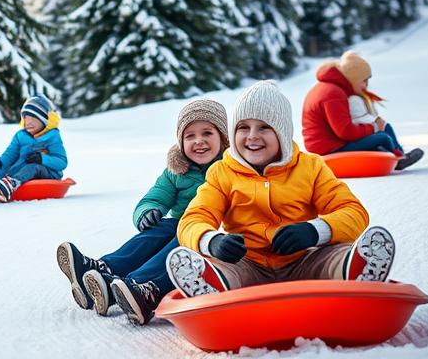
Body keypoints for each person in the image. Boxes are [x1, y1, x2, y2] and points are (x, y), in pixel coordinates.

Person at [166, 80, 396, 297]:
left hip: (304, 261)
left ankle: (355, 269)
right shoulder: (222, 173)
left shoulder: (311, 167)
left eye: (264, 127)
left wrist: (315, 230)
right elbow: (192, 220)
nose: (252, 136)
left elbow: (354, 212)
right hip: (247, 263)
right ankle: (210, 282)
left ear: (282, 132)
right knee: (228, 270)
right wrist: (212, 241)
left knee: (332, 258)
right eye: (243, 127)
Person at [55, 99, 229, 325]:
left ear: (223, 139)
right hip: (181, 224)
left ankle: (134, 284)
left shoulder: (230, 169)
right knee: (160, 228)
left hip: (209, 233)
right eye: (190, 136)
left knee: (182, 236)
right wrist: (149, 211)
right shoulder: (176, 171)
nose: (199, 141)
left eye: (207, 133)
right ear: (180, 141)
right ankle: (105, 271)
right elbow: (155, 197)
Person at [302, 50, 423, 170]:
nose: (366, 86)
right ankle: (399, 161)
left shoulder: (329, 88)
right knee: (383, 137)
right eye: (364, 81)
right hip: (329, 149)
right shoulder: (333, 94)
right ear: (353, 79)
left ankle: (397, 155)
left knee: (384, 131)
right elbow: (345, 132)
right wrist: (373, 127)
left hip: (331, 144)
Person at [0, 94, 66, 203]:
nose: (28, 122)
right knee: (2, 165)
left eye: (33, 117)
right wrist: (0, 162)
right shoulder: (20, 136)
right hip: (21, 169)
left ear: (44, 119)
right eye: (25, 117)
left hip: (46, 173)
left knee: (33, 167)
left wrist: (42, 159)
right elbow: (10, 155)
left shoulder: (52, 137)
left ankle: (11, 184)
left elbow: (62, 162)